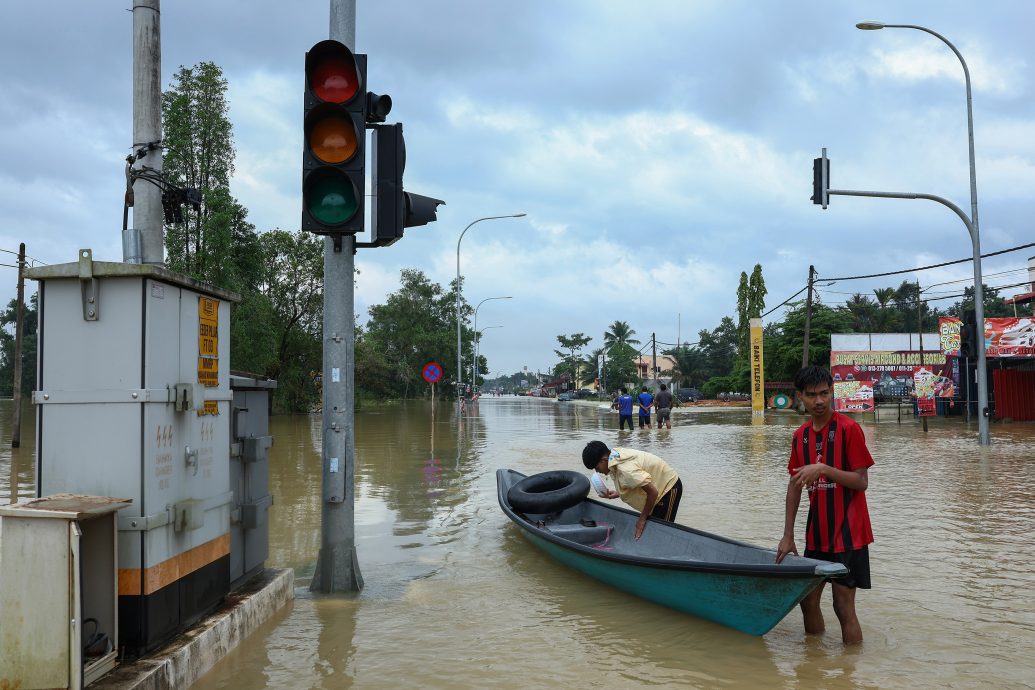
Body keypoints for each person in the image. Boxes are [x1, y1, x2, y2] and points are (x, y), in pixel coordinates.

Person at [776, 365, 874, 645]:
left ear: (832, 392)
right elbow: (794, 486)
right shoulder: (800, 436)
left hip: (849, 533)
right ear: (800, 397)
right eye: (811, 395)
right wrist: (787, 534)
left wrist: (824, 469)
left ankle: (849, 671)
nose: (819, 401)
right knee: (807, 602)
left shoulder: (849, 429)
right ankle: (814, 663)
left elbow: (861, 481)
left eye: (824, 393)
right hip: (817, 532)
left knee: (842, 607)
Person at [581, 440, 682, 540]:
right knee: (655, 530)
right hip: (656, 487)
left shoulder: (626, 469)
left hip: (668, 487)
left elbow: (653, 492)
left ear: (604, 459)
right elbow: (631, 482)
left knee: (662, 532)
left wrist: (642, 520)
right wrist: (618, 493)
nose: (597, 471)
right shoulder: (613, 456)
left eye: (597, 467)